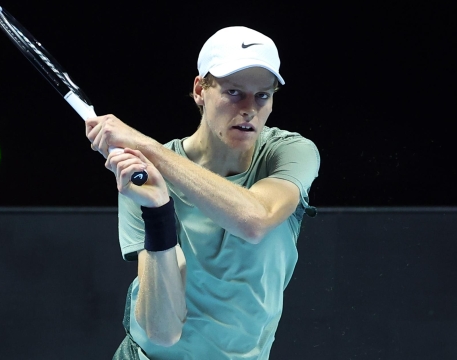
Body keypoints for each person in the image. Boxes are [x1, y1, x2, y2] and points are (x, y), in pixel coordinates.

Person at [86, 26, 320, 360]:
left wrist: (144, 144)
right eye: (234, 92)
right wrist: (157, 211)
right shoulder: (141, 177)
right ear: (200, 90)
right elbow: (163, 332)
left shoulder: (289, 152)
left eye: (263, 95)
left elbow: (255, 219)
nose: (250, 108)